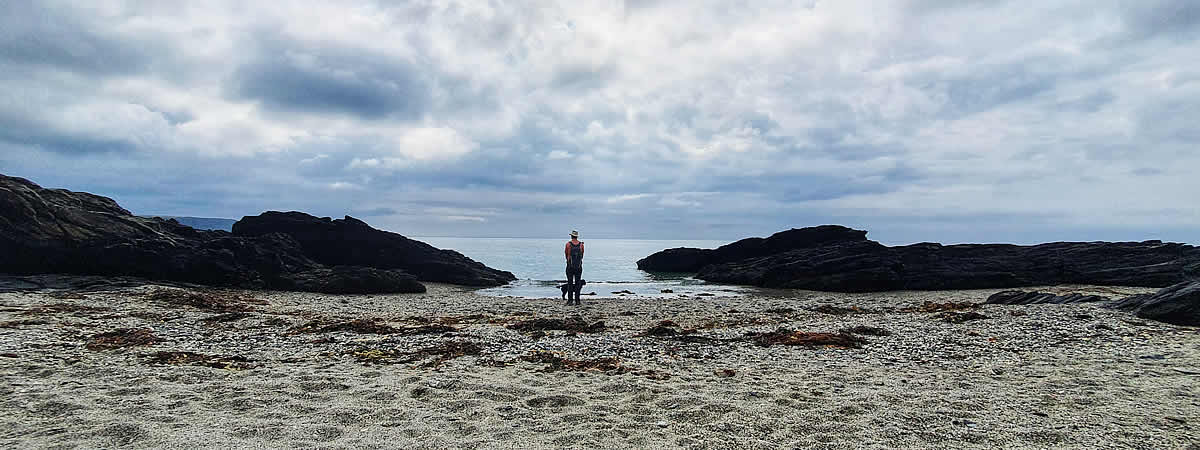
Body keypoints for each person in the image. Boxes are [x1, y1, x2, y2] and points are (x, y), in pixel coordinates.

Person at [564, 230, 584, 305]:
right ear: (577, 236)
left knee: (570, 283)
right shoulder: (581, 245)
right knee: (578, 283)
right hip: (579, 266)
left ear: (571, 236)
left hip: (570, 266)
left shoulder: (568, 244)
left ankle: (570, 300)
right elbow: (582, 255)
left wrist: (569, 261)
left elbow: (566, 255)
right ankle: (577, 300)